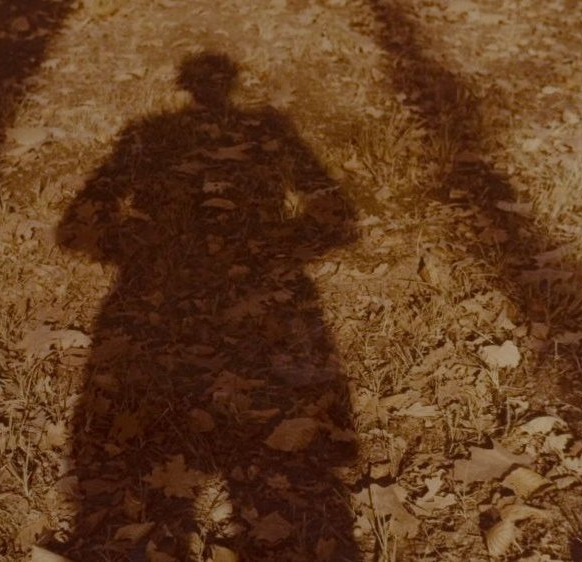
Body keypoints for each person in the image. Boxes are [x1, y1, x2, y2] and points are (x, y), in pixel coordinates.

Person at [54, 51, 361, 561]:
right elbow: (335, 218)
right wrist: (279, 250)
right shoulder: (233, 127)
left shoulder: (166, 130)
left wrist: (139, 250)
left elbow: (77, 228)